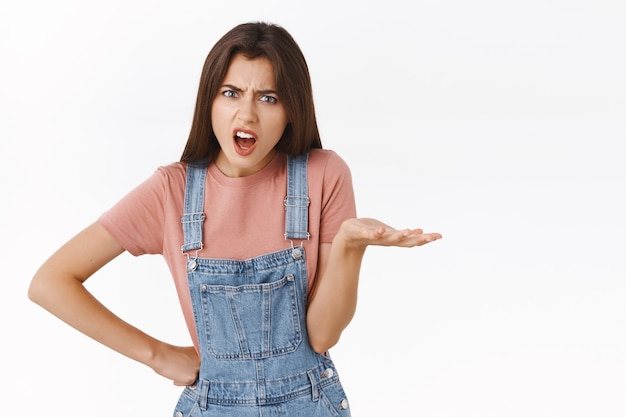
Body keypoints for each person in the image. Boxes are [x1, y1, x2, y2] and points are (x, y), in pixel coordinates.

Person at [28, 21, 442, 416]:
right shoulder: (170, 191)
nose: (247, 114)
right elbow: (50, 282)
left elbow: (322, 335)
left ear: (292, 110)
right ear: (209, 100)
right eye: (230, 93)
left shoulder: (324, 174)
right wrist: (156, 355)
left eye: (268, 98)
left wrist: (351, 244)